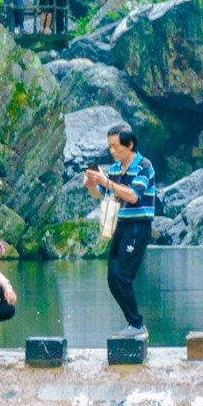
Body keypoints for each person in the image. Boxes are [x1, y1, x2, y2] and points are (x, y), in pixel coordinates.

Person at [84, 122, 155, 337]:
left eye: (116, 147)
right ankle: (134, 323)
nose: (112, 151)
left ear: (130, 144)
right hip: (121, 226)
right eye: (110, 147)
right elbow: (100, 194)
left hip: (138, 226)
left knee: (122, 275)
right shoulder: (115, 169)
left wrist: (106, 182)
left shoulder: (144, 165)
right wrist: (90, 183)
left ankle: (137, 325)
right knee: (112, 277)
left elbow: (133, 196)